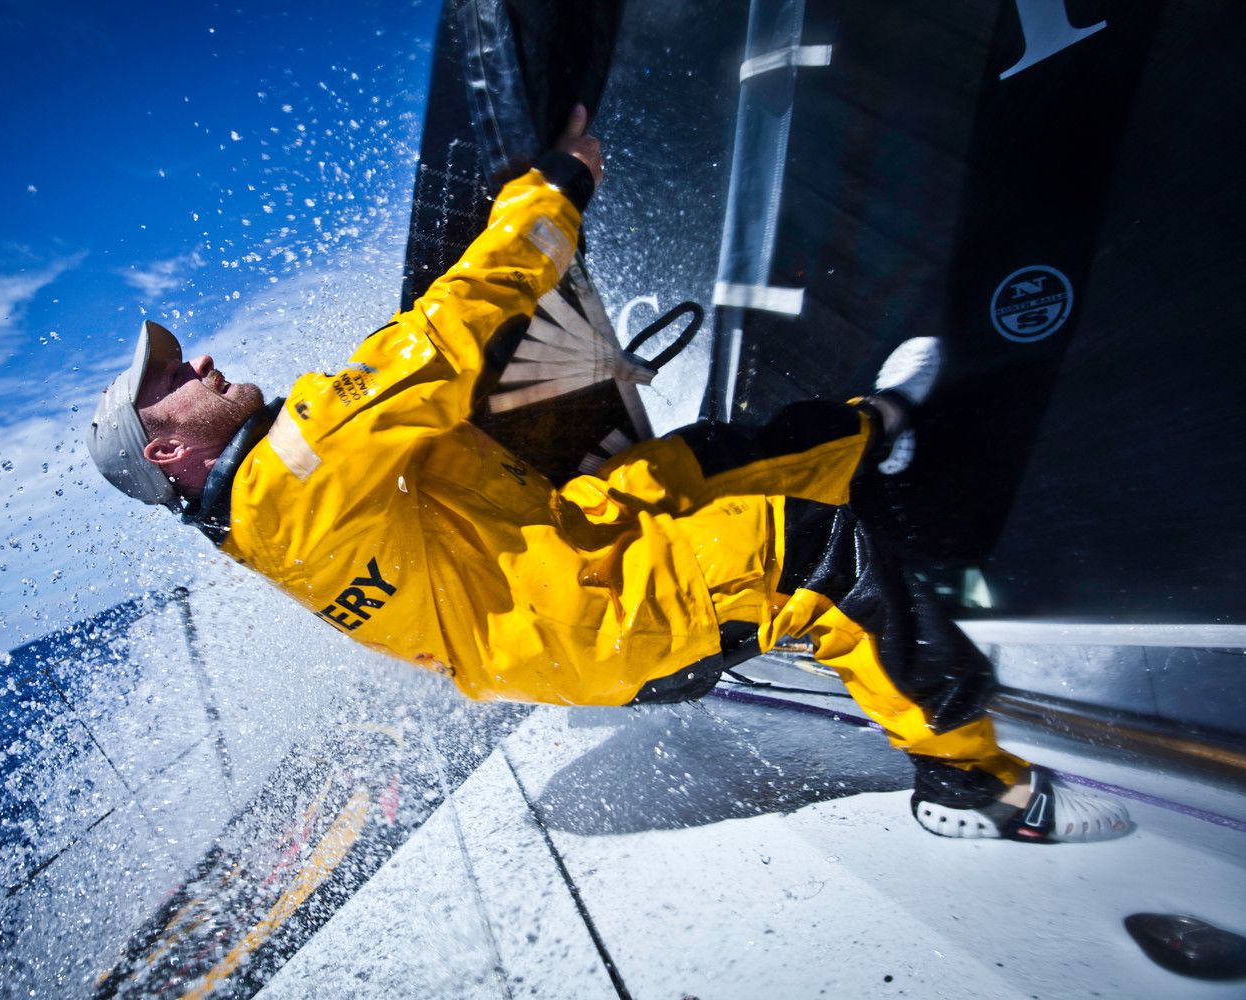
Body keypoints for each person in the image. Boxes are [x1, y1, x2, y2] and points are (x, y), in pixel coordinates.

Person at [89, 107, 1128, 844]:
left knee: (712, 456)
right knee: (818, 556)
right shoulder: (296, 458)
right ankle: (977, 784)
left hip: (553, 577)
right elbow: (450, 329)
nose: (202, 362)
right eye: (174, 381)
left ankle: (879, 426)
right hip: (587, 619)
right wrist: (557, 185)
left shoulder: (261, 511)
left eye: (184, 355)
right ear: (169, 452)